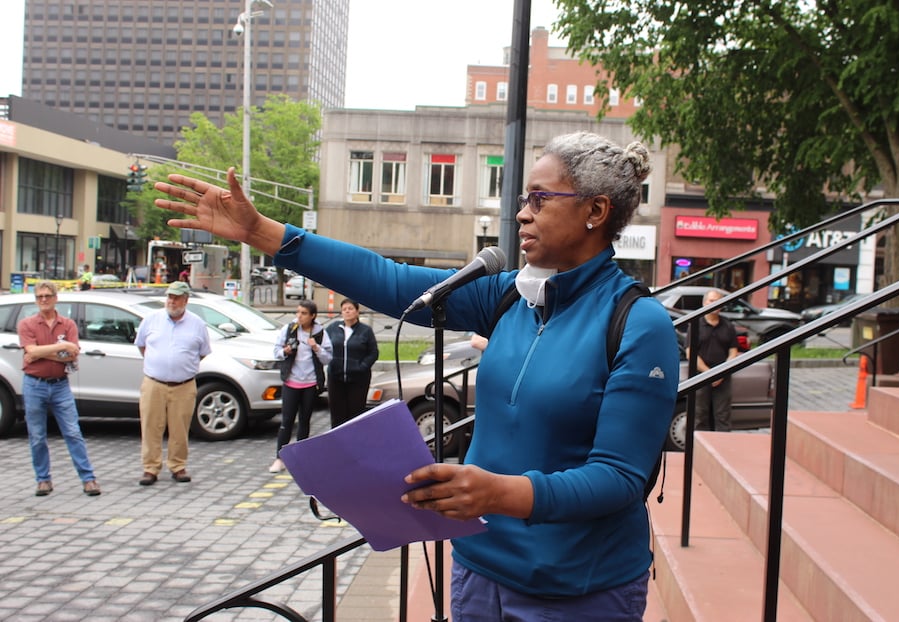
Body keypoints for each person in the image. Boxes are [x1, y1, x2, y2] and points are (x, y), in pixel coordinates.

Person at [154, 131, 679, 620]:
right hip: (479, 571)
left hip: (580, 589)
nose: (522, 214)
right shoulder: (508, 297)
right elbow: (388, 279)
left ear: (595, 210)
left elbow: (620, 479)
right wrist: (261, 233)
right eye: (523, 199)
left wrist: (499, 494)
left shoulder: (638, 324)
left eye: (539, 200)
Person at [18, 281, 101, 496]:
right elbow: (31, 352)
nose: (43, 300)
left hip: (60, 385)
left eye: (47, 296)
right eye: (39, 297)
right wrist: (62, 346)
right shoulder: (27, 324)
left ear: (56, 298)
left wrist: (41, 352)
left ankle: (88, 479)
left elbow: (72, 354)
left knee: (73, 432)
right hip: (34, 384)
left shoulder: (68, 324)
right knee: (37, 435)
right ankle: (43, 480)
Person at [134, 280, 211, 486]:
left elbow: (202, 352)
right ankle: (150, 468)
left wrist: (181, 366)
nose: (171, 301)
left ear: (185, 300)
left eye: (176, 298)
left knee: (180, 428)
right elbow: (142, 346)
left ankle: (178, 466)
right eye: (169, 297)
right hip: (154, 382)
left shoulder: (197, 324)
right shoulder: (151, 320)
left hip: (183, 385)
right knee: (151, 426)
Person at [268, 300, 333, 473]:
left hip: (310, 383)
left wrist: (316, 348)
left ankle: (301, 458)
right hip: (291, 381)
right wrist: (285, 351)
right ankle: (280, 458)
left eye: (304, 313)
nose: (299, 316)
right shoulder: (289, 329)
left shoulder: (320, 333)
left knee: (304, 421)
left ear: (312, 316)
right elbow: (276, 352)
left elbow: (328, 358)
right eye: (298, 312)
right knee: (287, 421)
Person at [687, 289, 740, 432]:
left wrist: (721, 373)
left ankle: (722, 448)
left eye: (718, 301)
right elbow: (690, 353)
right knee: (699, 416)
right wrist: (709, 373)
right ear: (705, 303)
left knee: (723, 416)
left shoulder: (728, 325)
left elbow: (733, 350)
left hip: (723, 377)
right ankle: (698, 451)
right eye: (712, 300)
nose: (715, 304)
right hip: (701, 376)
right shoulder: (695, 325)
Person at [325, 298, 379, 428]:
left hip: (358, 380)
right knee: (337, 414)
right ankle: (337, 444)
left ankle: (355, 443)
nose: (347, 312)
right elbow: (324, 347)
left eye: (350, 309)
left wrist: (362, 367)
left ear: (357, 311)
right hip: (336, 378)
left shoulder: (365, 331)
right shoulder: (333, 328)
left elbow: (373, 353)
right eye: (344, 309)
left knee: (355, 414)